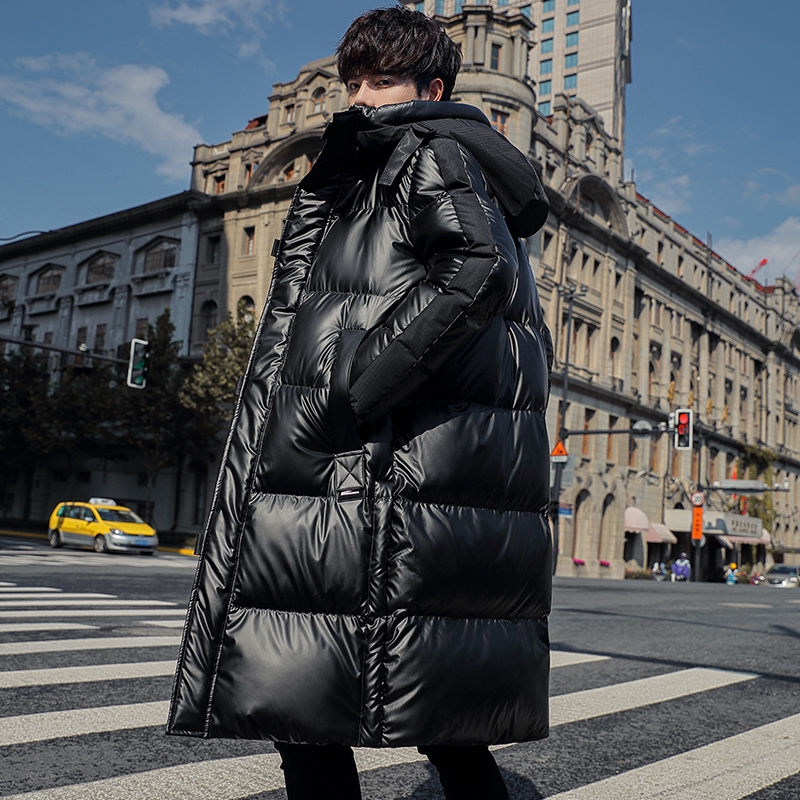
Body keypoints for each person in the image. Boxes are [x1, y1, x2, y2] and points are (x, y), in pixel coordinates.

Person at [167, 8, 553, 798]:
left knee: (324, 690)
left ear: (432, 88)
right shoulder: (380, 165)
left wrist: (358, 387)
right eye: (353, 83)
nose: (361, 98)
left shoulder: (429, 150)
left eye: (381, 81)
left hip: (372, 470)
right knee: (358, 702)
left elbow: (476, 270)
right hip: (365, 471)